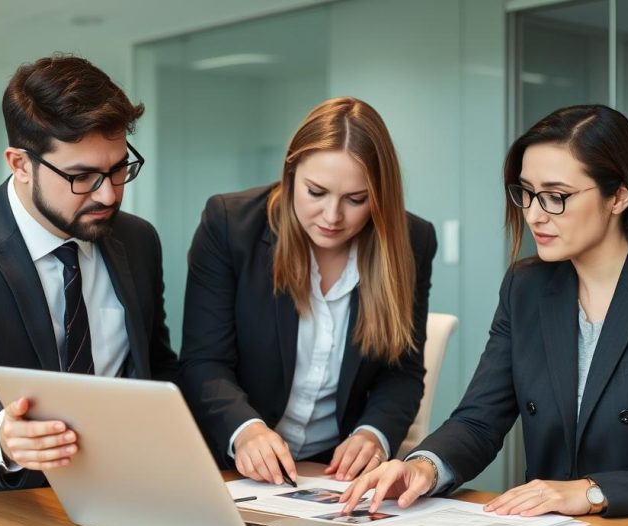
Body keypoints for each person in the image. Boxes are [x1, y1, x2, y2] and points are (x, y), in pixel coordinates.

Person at [341, 104, 628, 526]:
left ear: (618, 196)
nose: (534, 214)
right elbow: (479, 419)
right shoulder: (528, 286)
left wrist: (589, 492)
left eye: (557, 196)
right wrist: (424, 465)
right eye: (526, 193)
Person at [0, 54, 178, 499]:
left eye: (119, 168)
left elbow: (157, 367)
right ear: (20, 164)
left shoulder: (137, 241)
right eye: (82, 176)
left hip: (115, 495)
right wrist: (4, 431)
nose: (108, 193)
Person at [180, 97, 437, 486]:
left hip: (332, 475)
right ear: (290, 173)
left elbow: (402, 371)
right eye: (316, 192)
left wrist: (373, 434)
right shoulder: (230, 226)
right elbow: (203, 362)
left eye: (356, 199)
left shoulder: (411, 240)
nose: (333, 217)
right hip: (231, 468)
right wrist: (247, 430)